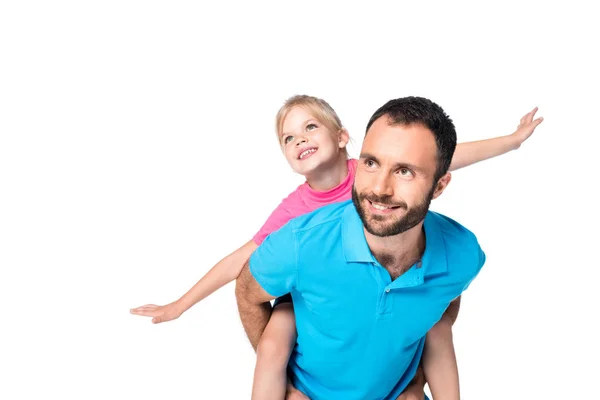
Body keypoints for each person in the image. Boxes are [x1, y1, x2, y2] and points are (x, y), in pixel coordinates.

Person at [131, 95, 543, 399]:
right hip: (308, 293)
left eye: (311, 127)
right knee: (279, 332)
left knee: (433, 326)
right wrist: (180, 304)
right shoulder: (297, 223)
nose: (379, 187)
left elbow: (447, 157)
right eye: (288, 137)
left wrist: (511, 140)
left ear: (343, 138)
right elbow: (244, 267)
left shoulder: (452, 244)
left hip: (380, 332)